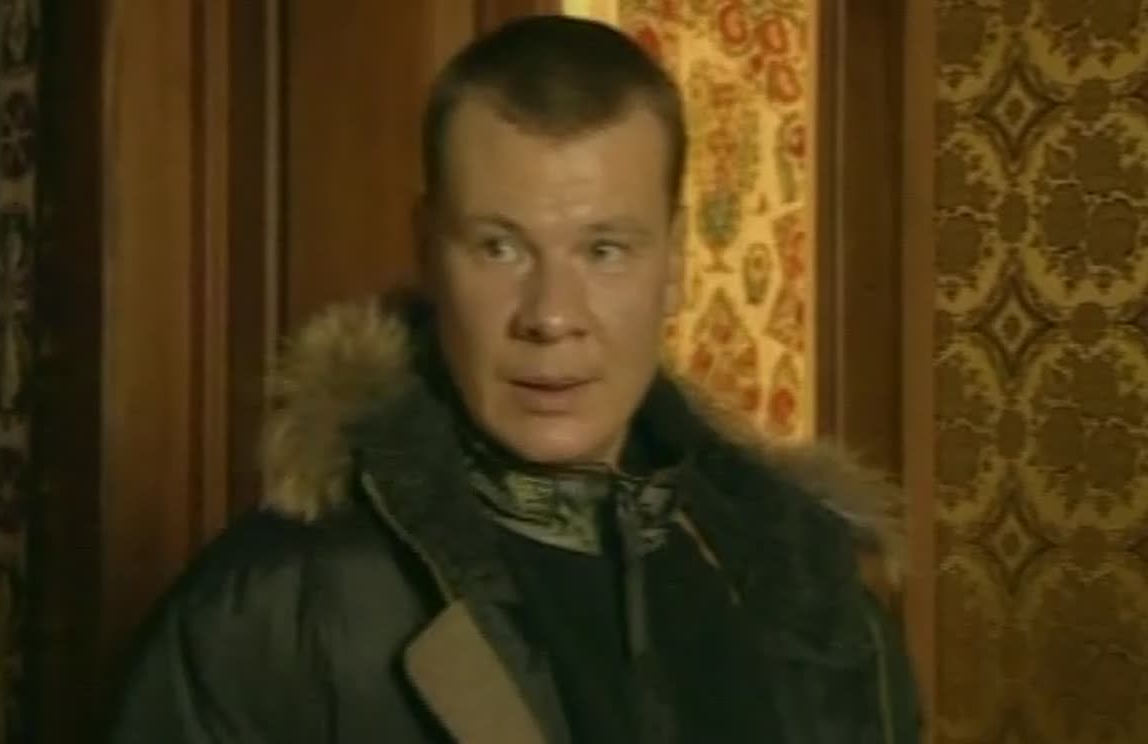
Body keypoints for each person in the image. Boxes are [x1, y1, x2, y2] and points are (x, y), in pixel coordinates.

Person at [107, 14, 921, 744]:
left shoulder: (813, 596)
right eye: (500, 248)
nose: (551, 315)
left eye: (604, 250)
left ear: (674, 263)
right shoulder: (278, 611)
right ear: (428, 249)